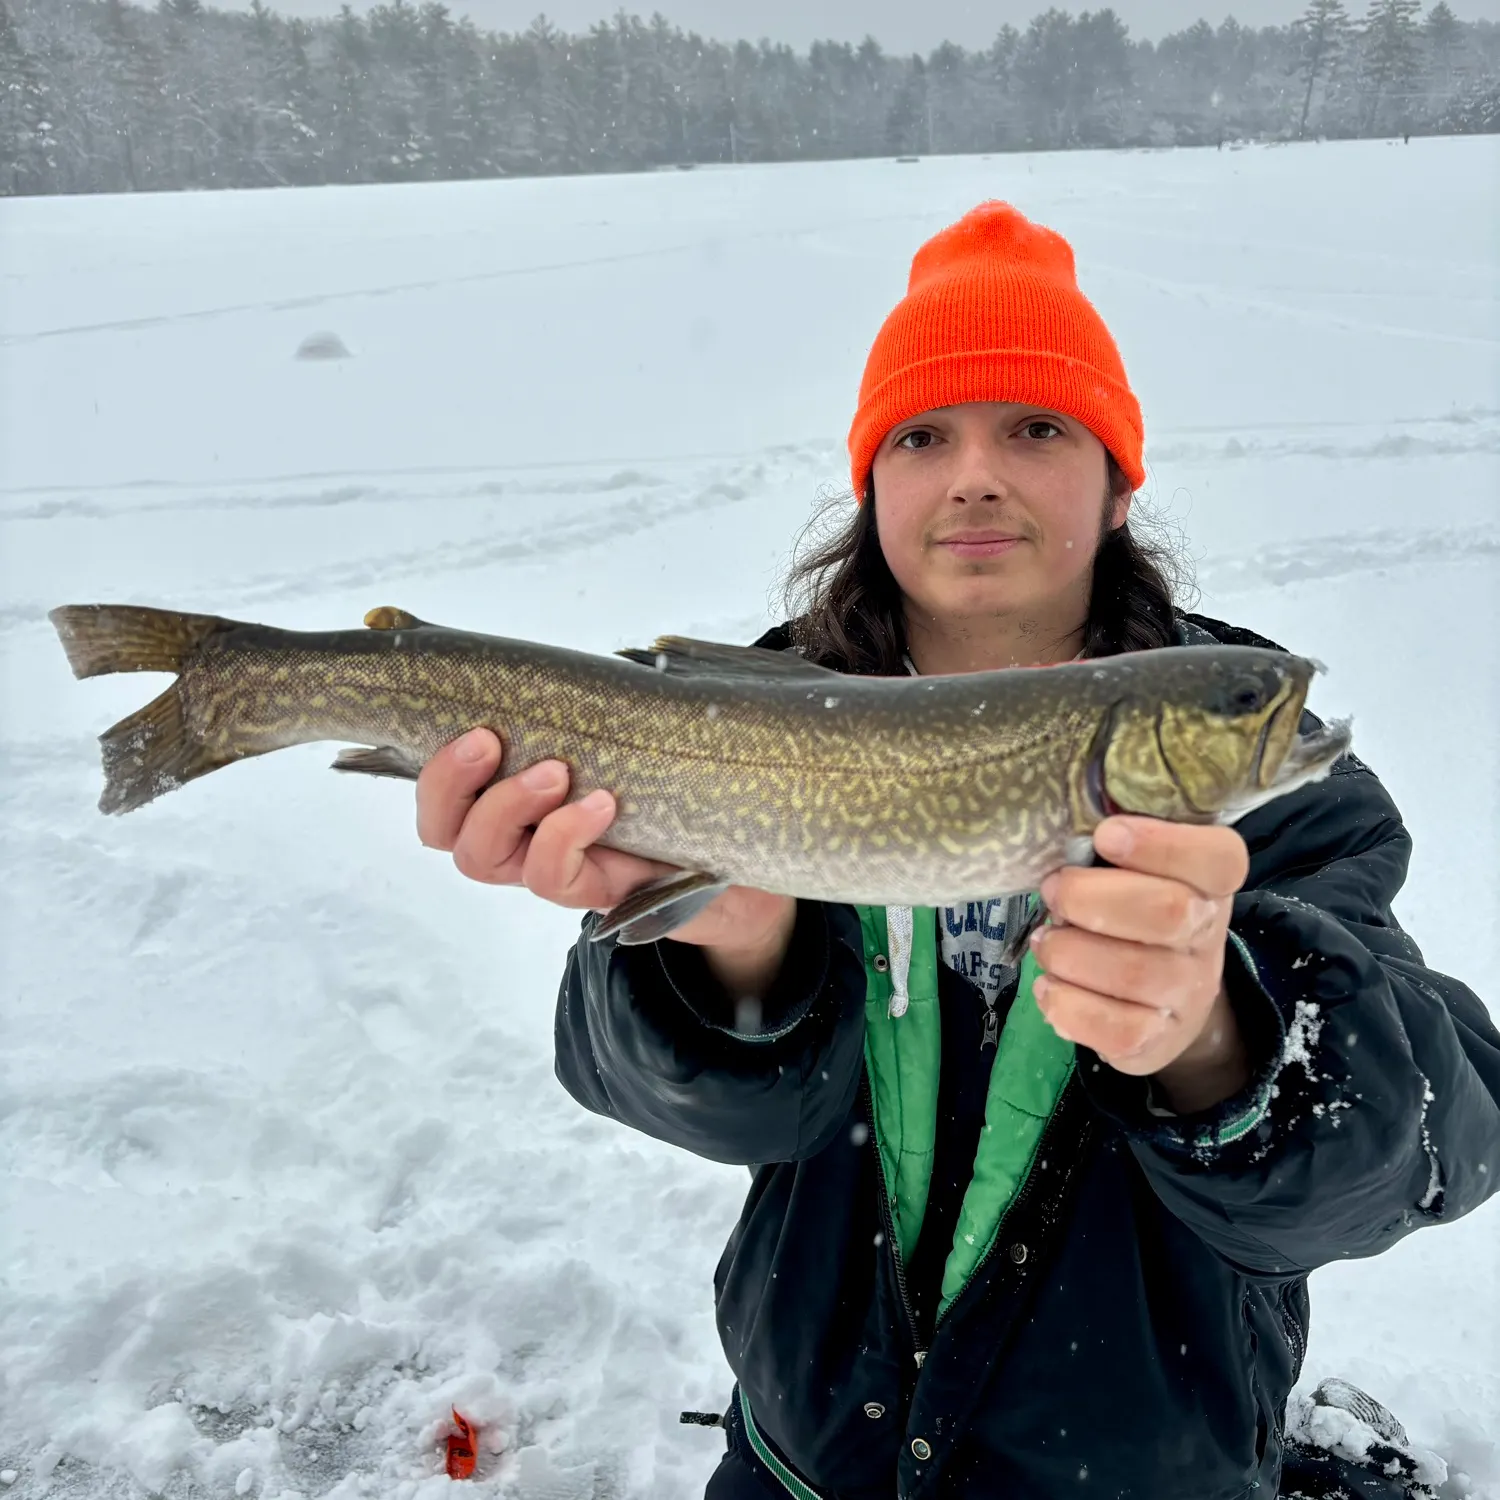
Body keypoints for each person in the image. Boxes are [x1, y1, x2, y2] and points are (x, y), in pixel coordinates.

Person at [415, 203, 1500, 1500]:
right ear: (875, 485)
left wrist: (1223, 1039)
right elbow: (681, 1098)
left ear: (1116, 481)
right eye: (924, 435)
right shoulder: (743, 730)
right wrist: (737, 954)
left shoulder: (1260, 782)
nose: (975, 473)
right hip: (805, 1464)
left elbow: (1439, 1137)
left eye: (1036, 426)